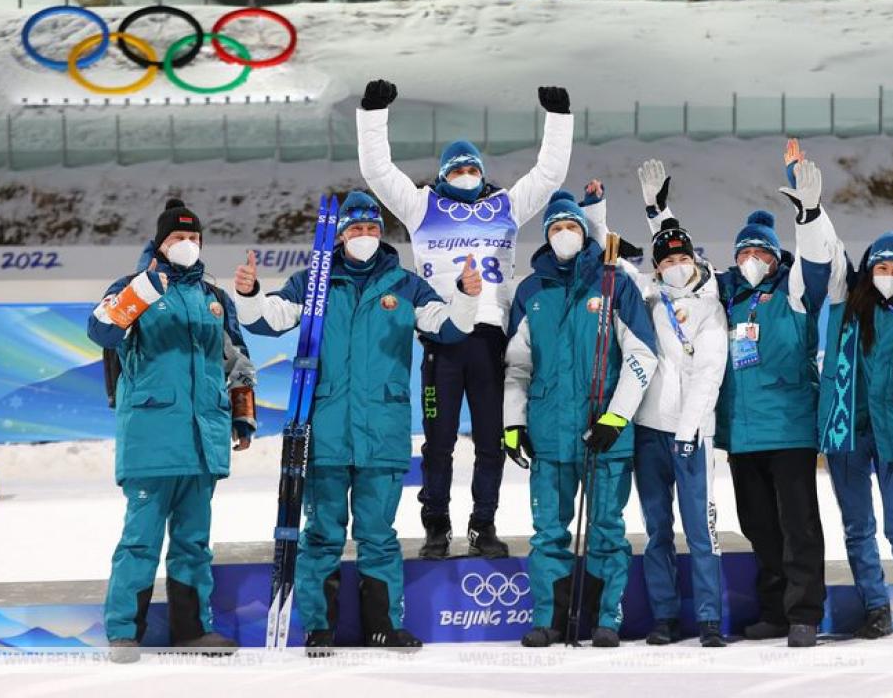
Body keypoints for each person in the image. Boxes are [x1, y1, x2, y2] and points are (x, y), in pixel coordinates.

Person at [233, 191, 481, 654]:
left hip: (381, 432)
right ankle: (319, 627)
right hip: (325, 430)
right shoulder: (314, 282)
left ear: (380, 234)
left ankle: (383, 625)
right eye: (355, 229)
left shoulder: (404, 285)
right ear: (340, 235)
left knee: (378, 534)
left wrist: (466, 297)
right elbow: (269, 320)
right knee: (322, 534)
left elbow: (448, 327)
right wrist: (248, 294)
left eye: (371, 229)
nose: (364, 236)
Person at [357, 78, 573, 560]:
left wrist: (559, 119)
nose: (466, 172)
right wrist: (374, 113)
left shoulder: (507, 207)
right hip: (442, 340)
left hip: (490, 341)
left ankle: (484, 523)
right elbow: (377, 171)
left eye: (473, 166)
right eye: (457, 168)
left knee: (491, 444)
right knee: (438, 444)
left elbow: (549, 173)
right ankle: (436, 525)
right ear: (441, 175)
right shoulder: (421, 206)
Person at [87, 199, 255, 663]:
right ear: (161, 244)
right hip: (152, 439)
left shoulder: (214, 298)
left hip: (203, 441)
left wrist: (242, 414)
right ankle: (124, 632)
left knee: (193, 544)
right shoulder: (131, 289)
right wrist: (141, 291)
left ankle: (193, 630)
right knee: (140, 541)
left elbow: (237, 360)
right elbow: (101, 332)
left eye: (195, 239)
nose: (188, 245)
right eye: (179, 238)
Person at [501, 189, 658, 648]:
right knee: (548, 531)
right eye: (556, 228)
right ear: (547, 236)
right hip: (549, 434)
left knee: (607, 529)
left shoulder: (614, 283)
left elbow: (642, 355)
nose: (564, 234)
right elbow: (517, 367)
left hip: (603, 435)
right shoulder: (531, 291)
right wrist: (514, 423)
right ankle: (549, 618)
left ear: (583, 232)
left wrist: (616, 417)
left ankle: (607, 617)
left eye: (571, 226)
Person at [585, 168, 729, 647]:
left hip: (692, 436)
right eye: (666, 260)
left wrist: (689, 431)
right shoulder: (648, 295)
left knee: (701, 532)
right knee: (657, 531)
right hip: (648, 432)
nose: (675, 265)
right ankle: (665, 617)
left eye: (682, 257)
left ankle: (709, 618)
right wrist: (596, 214)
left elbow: (709, 375)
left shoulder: (712, 304)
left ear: (695, 259)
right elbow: (608, 255)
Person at [702, 150, 837, 648]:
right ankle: (775, 610)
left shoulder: (795, 290)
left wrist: (809, 214)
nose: (752, 261)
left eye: (761, 253)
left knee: (798, 524)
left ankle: (804, 613)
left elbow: (819, 260)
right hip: (742, 434)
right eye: (744, 253)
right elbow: (672, 266)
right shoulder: (724, 299)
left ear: (776, 257)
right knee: (759, 527)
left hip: (789, 429)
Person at [817, 225, 893, 655]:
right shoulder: (846, 304)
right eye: (881, 267)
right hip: (846, 428)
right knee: (857, 527)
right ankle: (875, 609)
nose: (888, 274)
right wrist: (813, 213)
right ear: (869, 271)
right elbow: (827, 247)